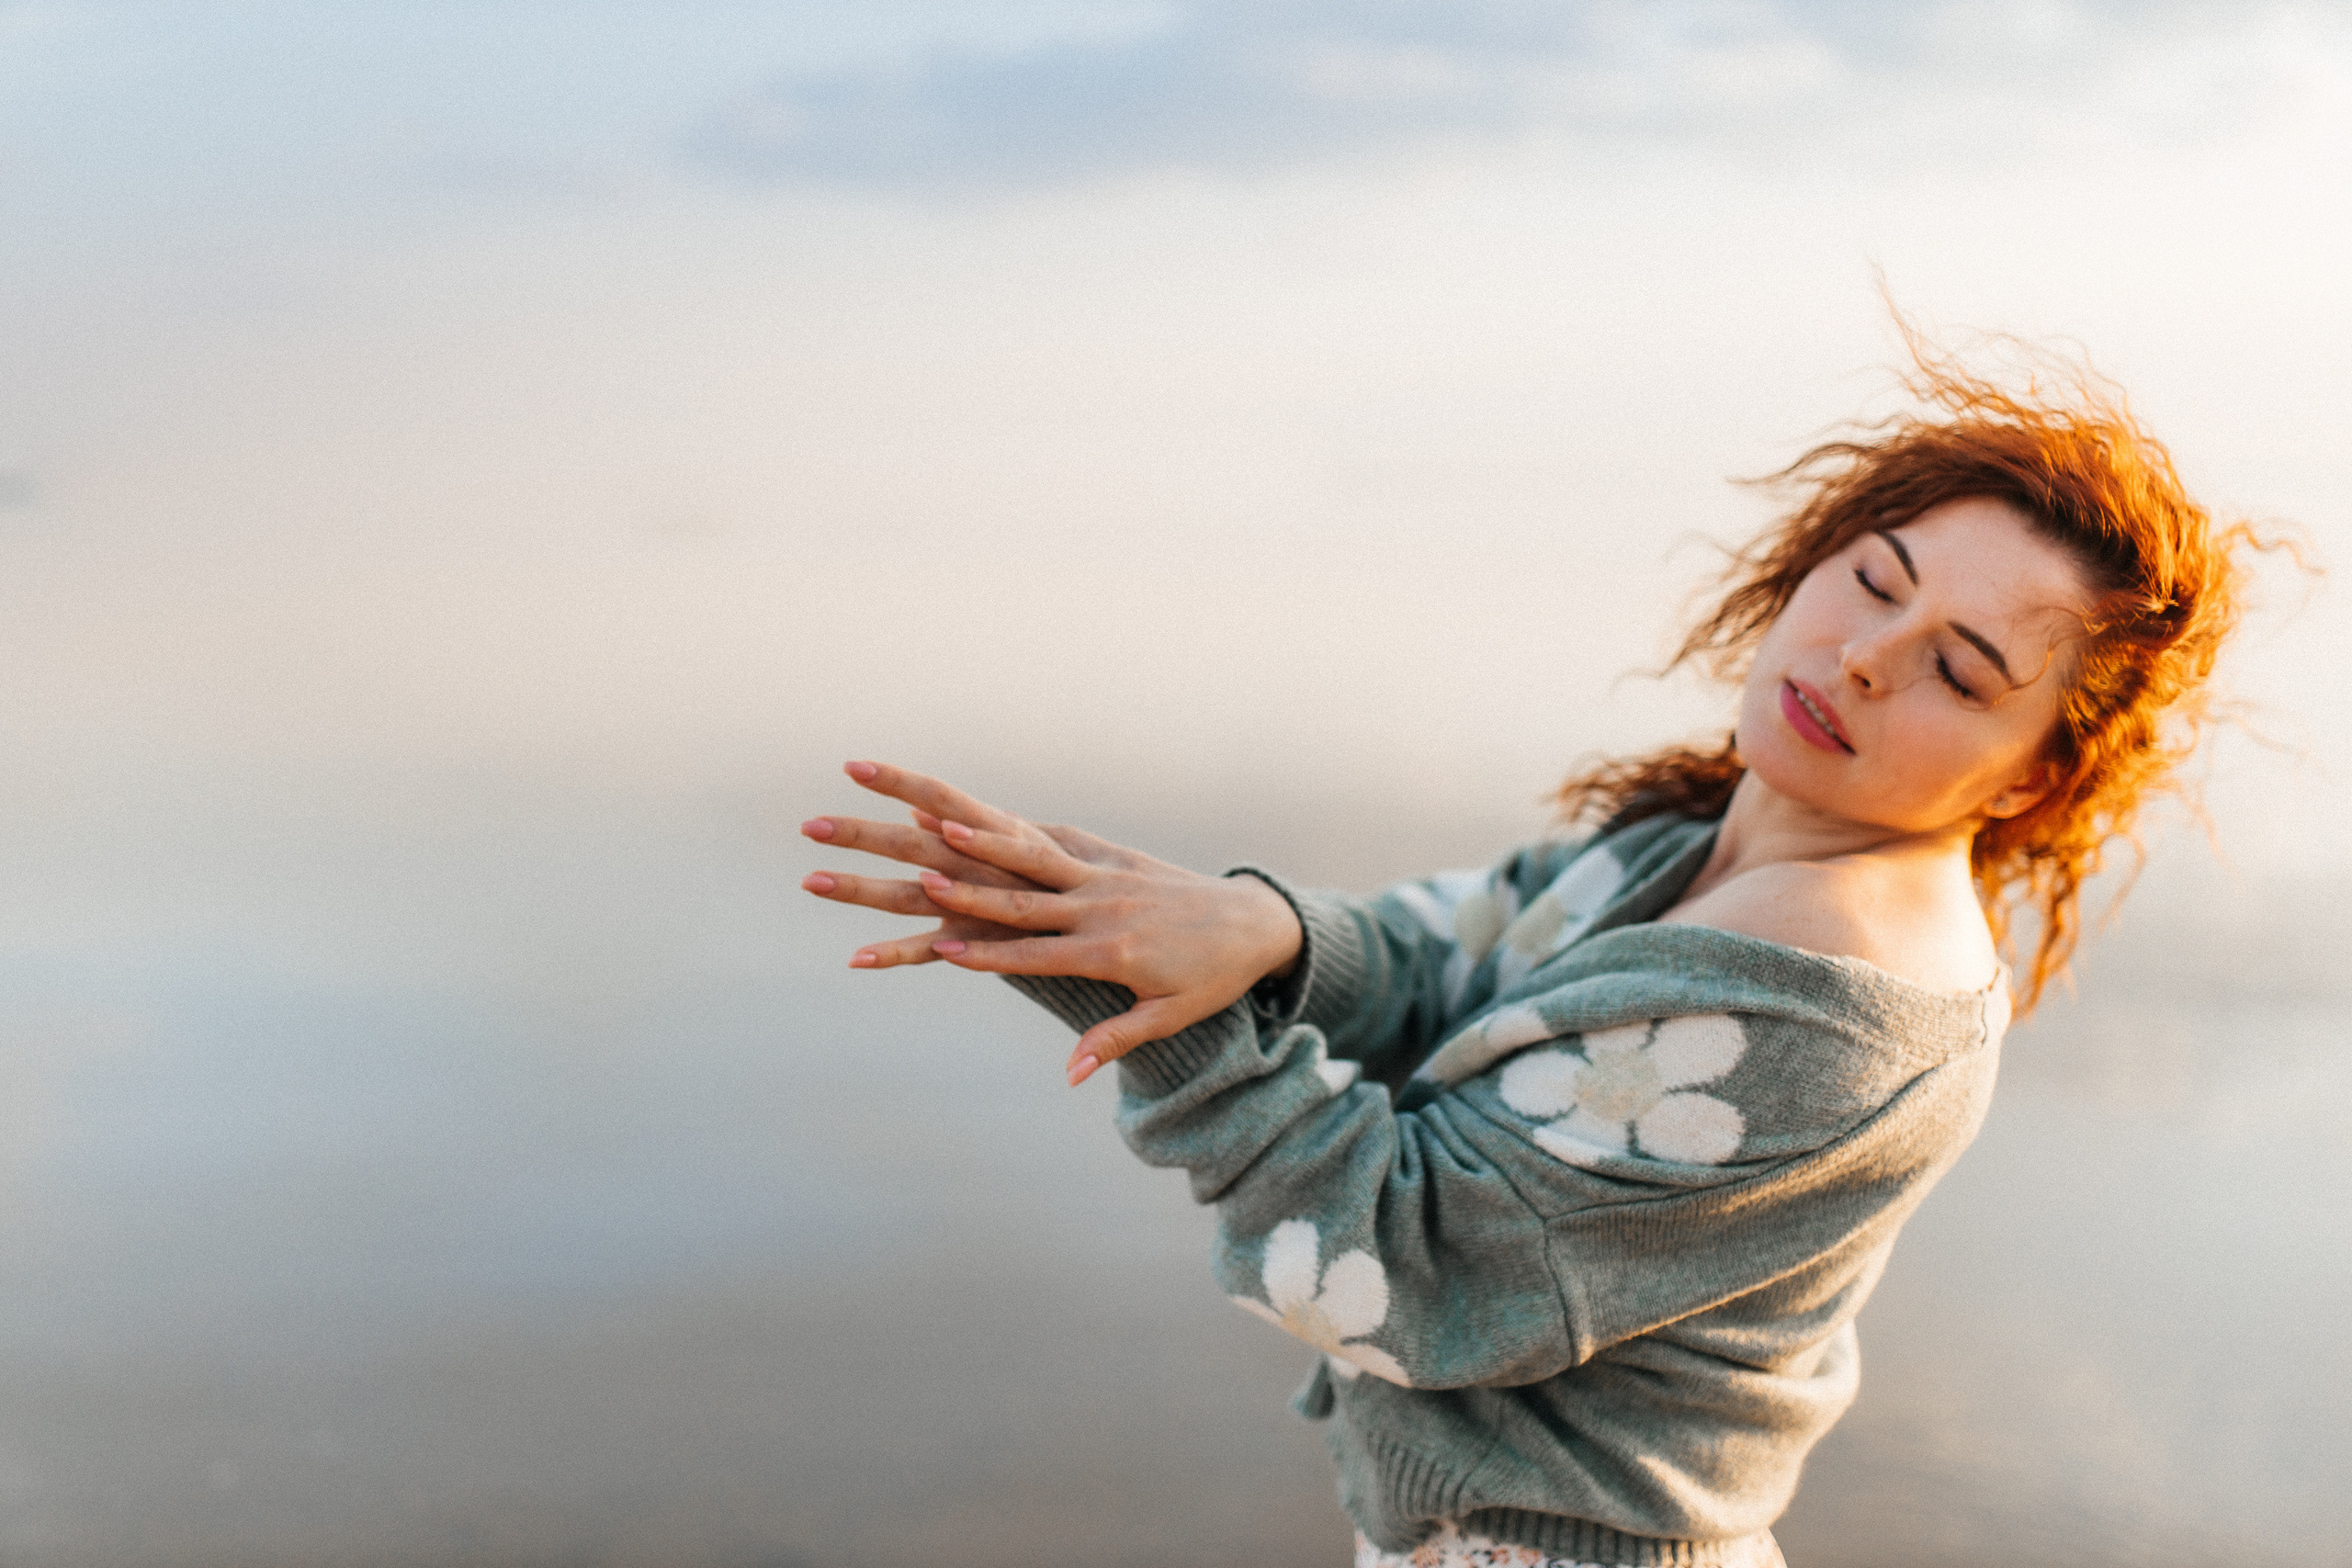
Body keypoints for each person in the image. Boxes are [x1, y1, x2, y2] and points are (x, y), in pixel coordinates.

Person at [797, 343, 2273, 1566]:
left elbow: (1396, 1271)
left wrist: (1156, 1010)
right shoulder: (1718, 826)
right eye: (1877, 578)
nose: (1871, 656)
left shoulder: (1834, 1004)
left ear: (2031, 777)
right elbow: (1470, 951)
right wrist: (1263, 934)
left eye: (1962, 671)